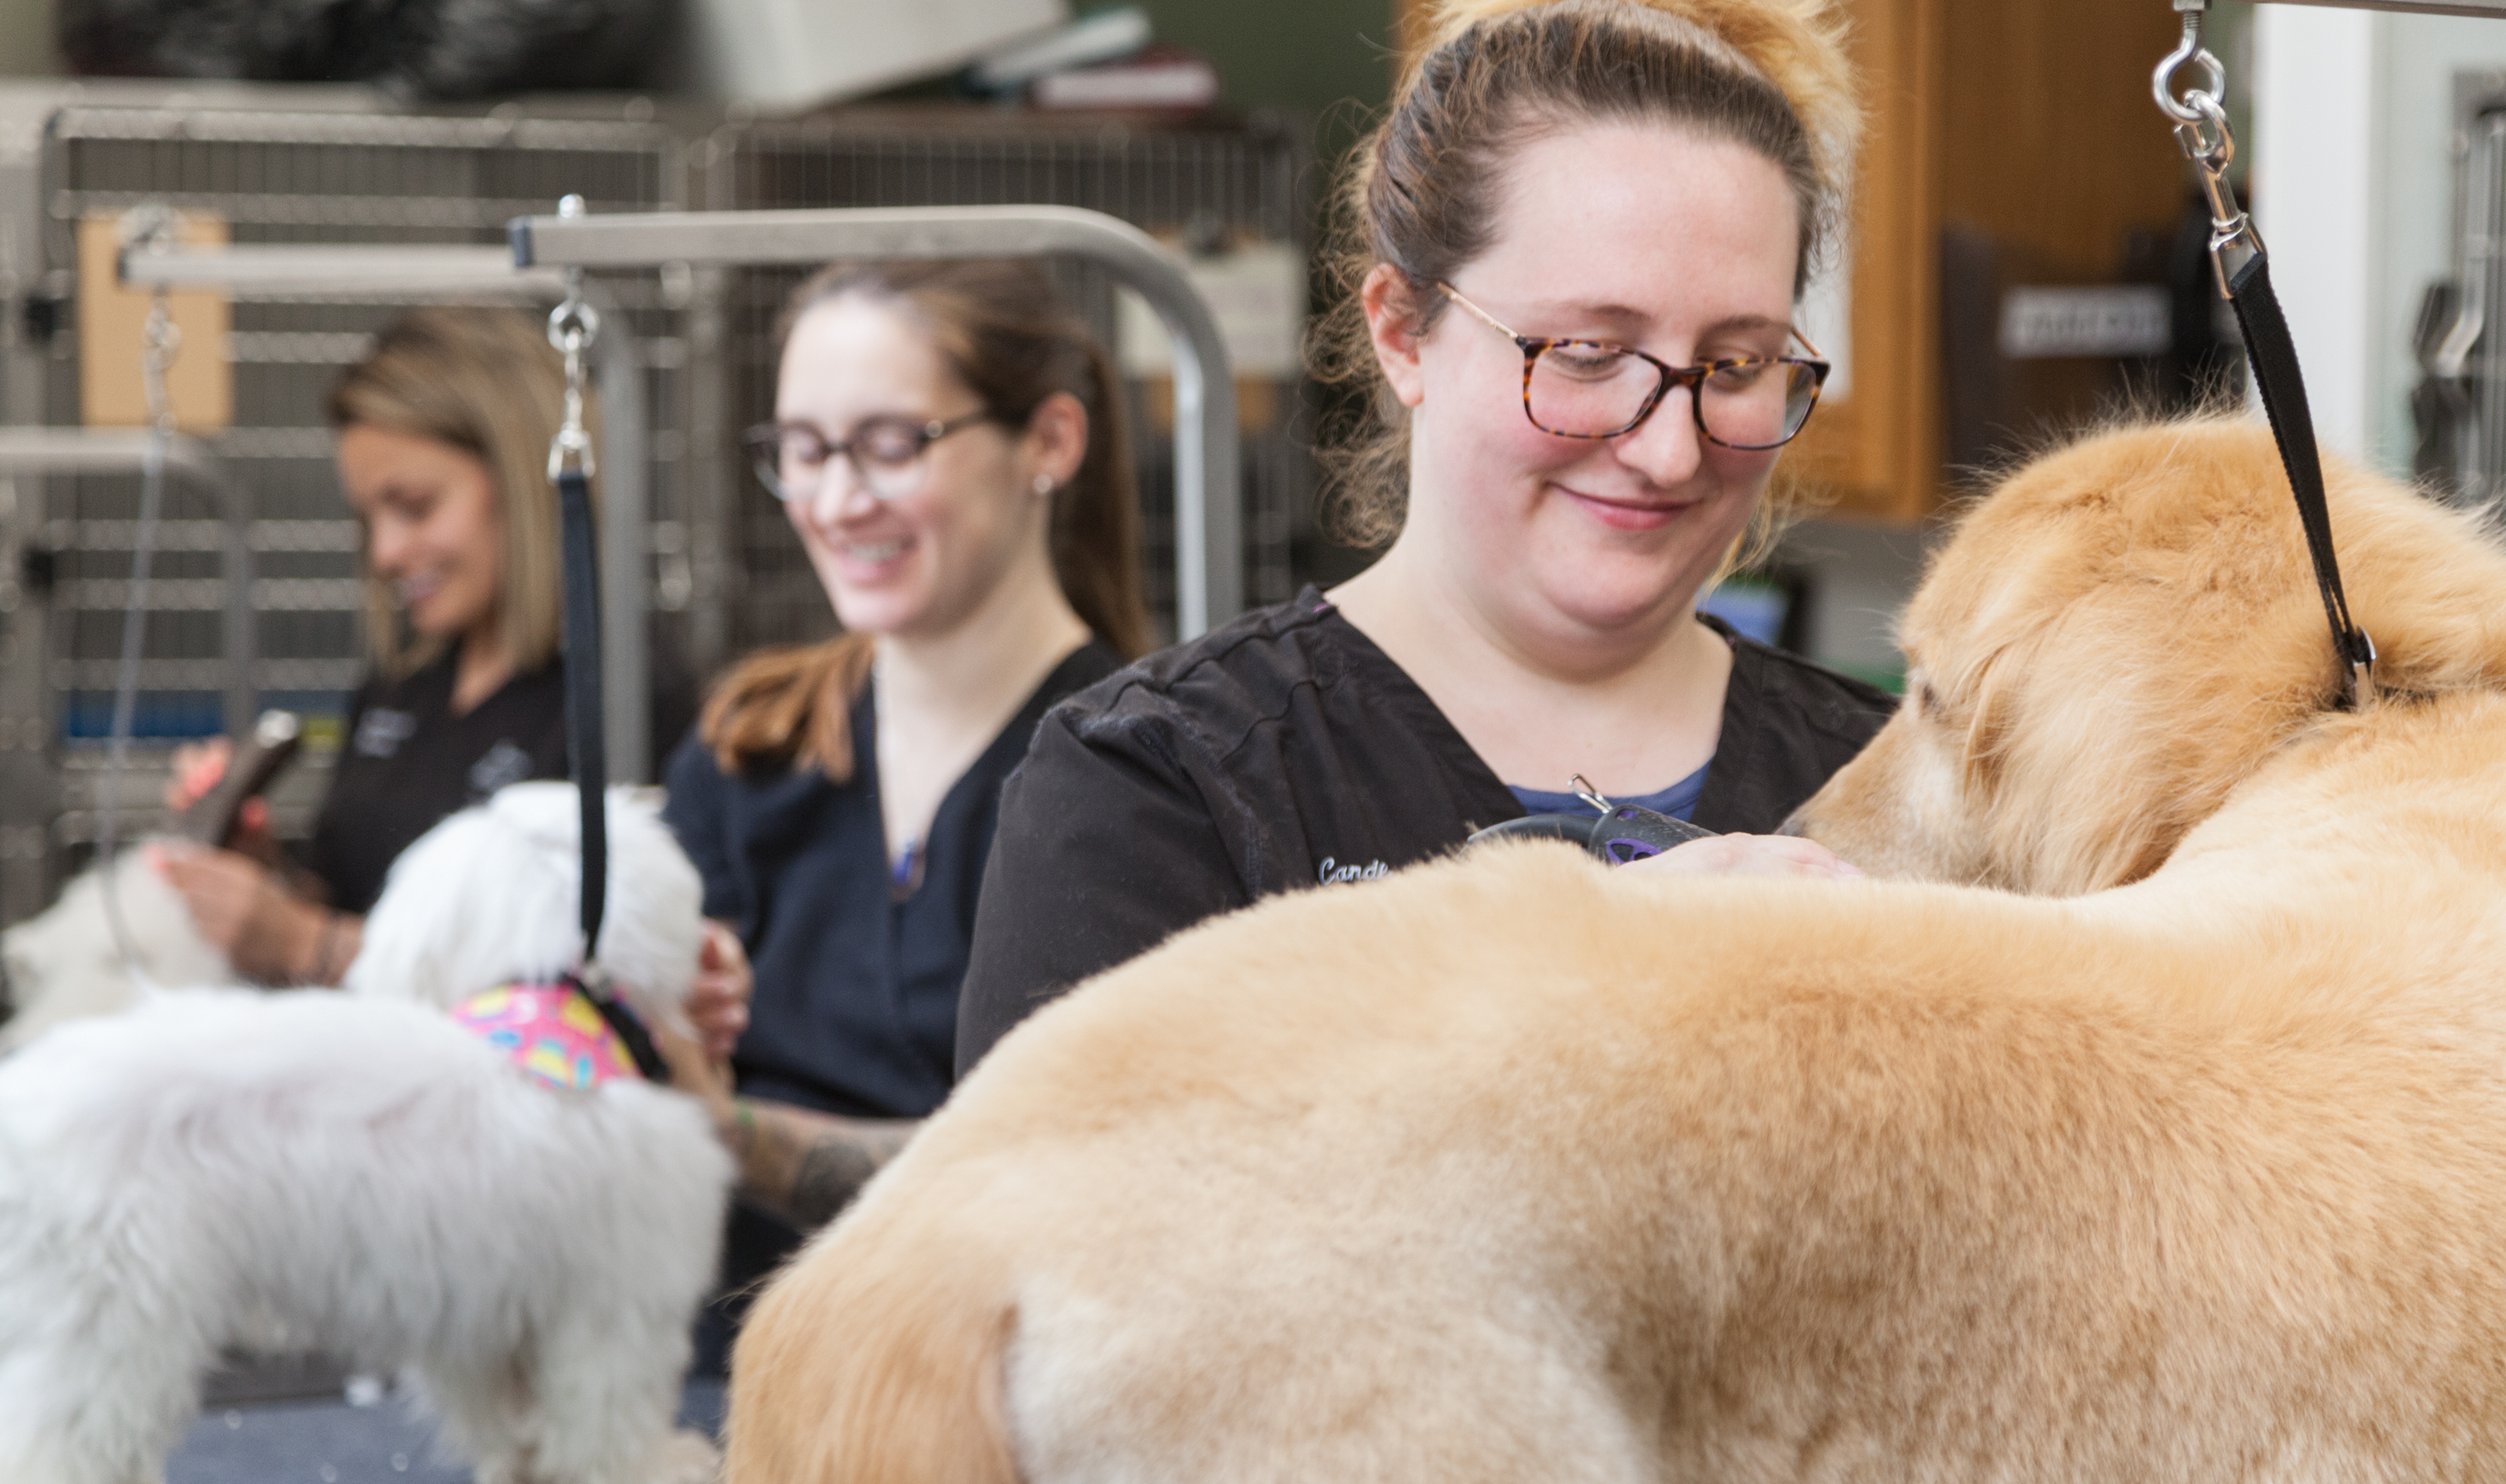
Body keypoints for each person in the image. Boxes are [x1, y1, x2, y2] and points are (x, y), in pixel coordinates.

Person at [951, 0, 1891, 1075]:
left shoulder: (1896, 777)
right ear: (1404, 330)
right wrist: (1582, 981)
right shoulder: (1164, 788)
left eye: (1735, 365)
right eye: (1587, 351)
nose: (1669, 452)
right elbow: (1075, 1230)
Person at [661, 260, 1146, 1259]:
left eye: (890, 445)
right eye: (802, 450)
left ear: (1048, 441)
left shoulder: (1139, 774)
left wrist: (727, 1130)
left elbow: (1069, 1167)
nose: (837, 501)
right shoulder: (751, 748)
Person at [156, 306, 691, 981]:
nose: (384, 552)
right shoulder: (405, 685)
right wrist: (258, 877)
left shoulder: (627, 700)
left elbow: (584, 986)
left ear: (526, 480)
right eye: (368, 517)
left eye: (414, 506)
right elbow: (345, 891)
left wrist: (312, 949)